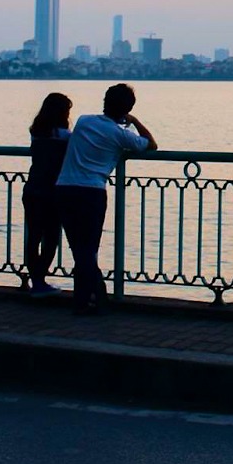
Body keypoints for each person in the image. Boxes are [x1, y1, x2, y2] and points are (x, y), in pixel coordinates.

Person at [55, 83, 156, 315]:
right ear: (127, 108)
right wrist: (134, 121)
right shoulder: (120, 135)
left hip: (65, 188)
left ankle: (88, 300)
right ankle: (94, 300)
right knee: (88, 249)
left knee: (79, 248)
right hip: (91, 192)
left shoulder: (83, 121)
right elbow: (151, 144)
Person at [23, 92, 72, 298]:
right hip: (52, 191)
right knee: (51, 237)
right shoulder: (65, 137)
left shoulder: (36, 132)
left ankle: (36, 280)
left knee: (33, 236)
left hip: (32, 188)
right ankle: (40, 279)